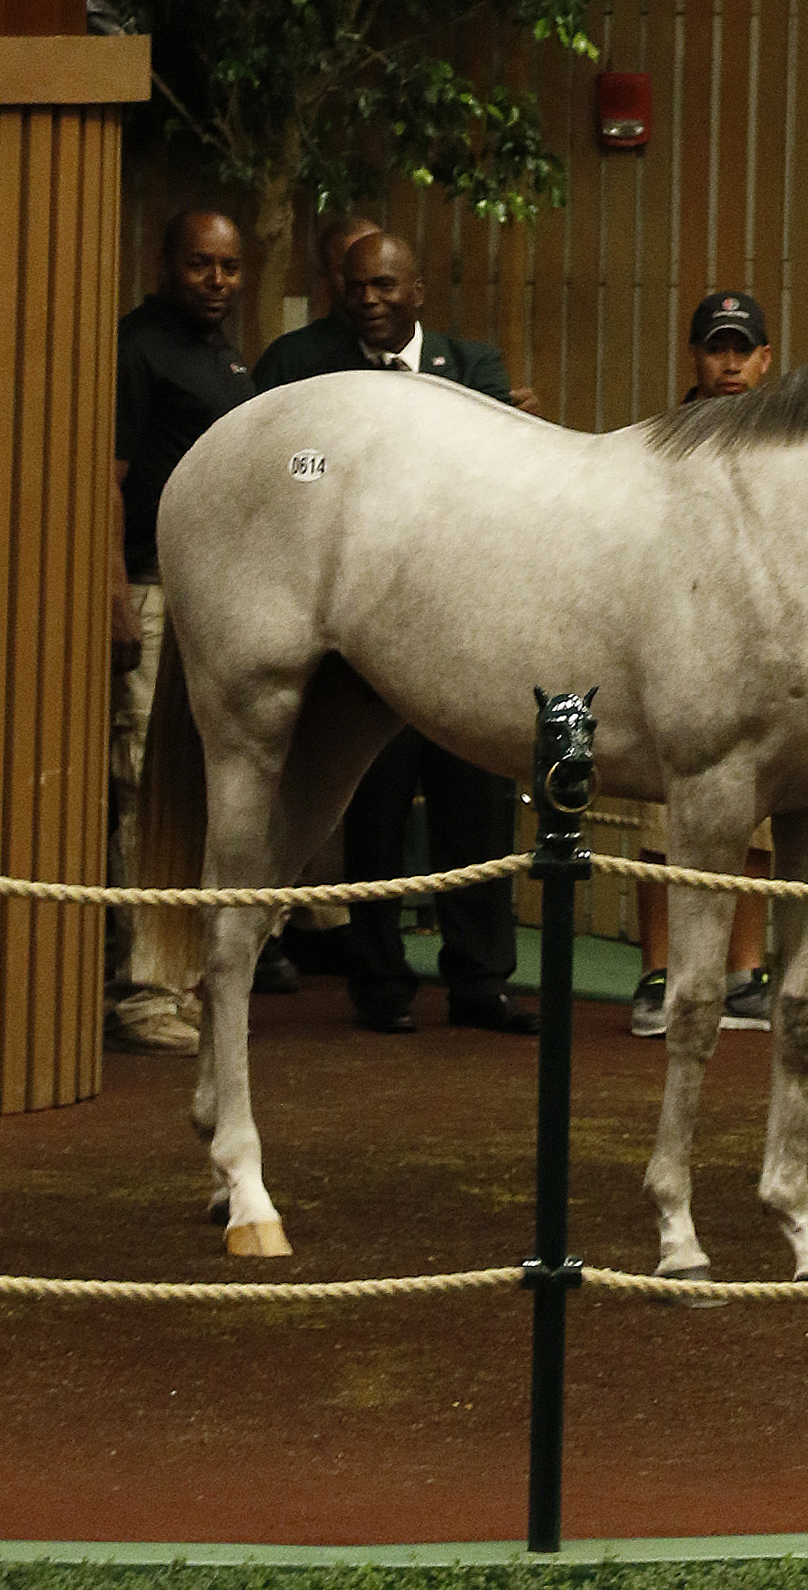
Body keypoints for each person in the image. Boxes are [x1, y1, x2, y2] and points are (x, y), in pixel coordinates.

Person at [253, 229, 538, 1038]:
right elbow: (283, 473)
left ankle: (481, 981)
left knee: (477, 811)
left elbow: (494, 487)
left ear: (417, 292)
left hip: (471, 632)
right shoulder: (302, 366)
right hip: (362, 643)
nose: (371, 299)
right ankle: (379, 981)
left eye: (386, 286)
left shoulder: (473, 368)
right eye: (357, 286)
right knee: (371, 811)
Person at [110, 209, 255, 1050]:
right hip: (151, 586)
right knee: (141, 784)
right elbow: (108, 477)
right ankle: (141, 992)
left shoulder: (231, 358)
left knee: (190, 789)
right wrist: (116, 593)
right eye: (201, 264)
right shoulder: (140, 348)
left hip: (216, 598)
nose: (218, 281)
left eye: (231, 267)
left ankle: (177, 977)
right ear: (165, 263)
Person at [627, 290, 776, 1041]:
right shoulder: (660, 441)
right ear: (694, 358)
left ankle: (743, 976)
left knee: (760, 824)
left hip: (760, 658)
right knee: (666, 818)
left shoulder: (787, 444)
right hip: (675, 653)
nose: (729, 363)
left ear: (765, 360)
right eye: (716, 348)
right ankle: (659, 978)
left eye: (741, 349)